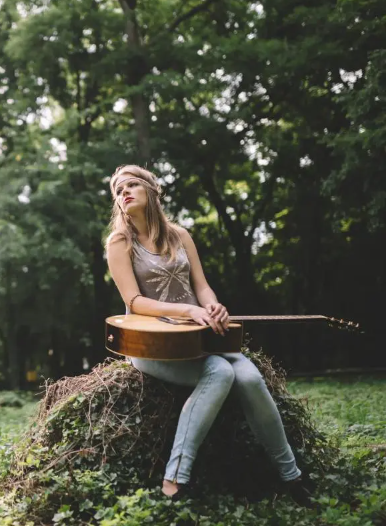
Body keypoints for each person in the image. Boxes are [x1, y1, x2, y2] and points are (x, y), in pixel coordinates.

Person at [104, 164, 311, 503]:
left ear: (150, 190)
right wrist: (188, 310)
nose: (123, 192)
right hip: (152, 345)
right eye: (118, 191)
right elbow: (134, 301)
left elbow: (201, 287)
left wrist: (213, 307)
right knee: (219, 371)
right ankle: (175, 478)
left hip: (203, 334)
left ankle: (292, 476)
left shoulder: (179, 236)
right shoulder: (119, 242)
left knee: (250, 379)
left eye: (130, 185)